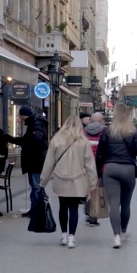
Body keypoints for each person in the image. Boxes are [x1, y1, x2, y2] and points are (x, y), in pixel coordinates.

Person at [97, 104, 137, 247]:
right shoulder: (133, 131)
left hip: (110, 169)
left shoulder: (108, 131)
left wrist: (98, 173)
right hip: (128, 169)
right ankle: (123, 232)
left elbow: (100, 154)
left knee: (114, 204)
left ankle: (115, 236)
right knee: (126, 204)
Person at [40, 114, 99, 249]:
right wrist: (93, 182)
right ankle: (72, 237)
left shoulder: (56, 140)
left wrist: (43, 181)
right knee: (74, 209)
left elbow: (49, 163)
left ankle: (63, 235)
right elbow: (89, 164)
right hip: (77, 180)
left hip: (60, 179)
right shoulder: (83, 142)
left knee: (62, 207)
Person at [8, 106, 49, 208]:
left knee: (36, 186)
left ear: (23, 115)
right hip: (35, 160)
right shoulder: (35, 122)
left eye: (20, 115)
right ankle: (35, 208)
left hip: (35, 160)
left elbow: (34, 141)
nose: (19, 117)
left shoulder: (35, 124)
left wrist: (14, 140)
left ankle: (37, 209)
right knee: (35, 185)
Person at [83, 112, 106, 227]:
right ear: (101, 120)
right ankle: (94, 215)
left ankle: (88, 212)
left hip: (86, 165)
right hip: (101, 166)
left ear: (91, 121)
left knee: (89, 190)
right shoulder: (105, 132)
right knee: (97, 191)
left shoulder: (83, 132)